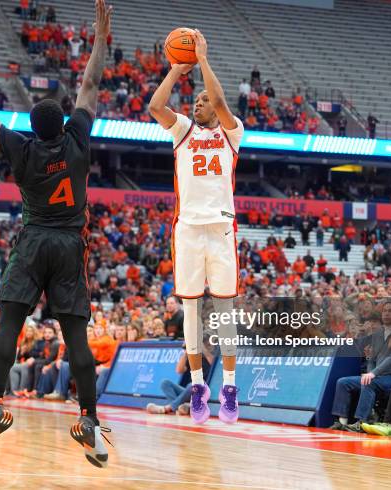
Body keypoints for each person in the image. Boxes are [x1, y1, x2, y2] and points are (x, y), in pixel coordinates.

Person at [0, 0, 113, 467]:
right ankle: (89, 420)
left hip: (32, 243)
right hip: (69, 246)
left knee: (8, 326)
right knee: (77, 339)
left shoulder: (22, 150)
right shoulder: (78, 139)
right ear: (65, 121)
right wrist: (99, 35)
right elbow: (90, 83)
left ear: (32, 128)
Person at [149, 30, 242, 425]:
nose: (199, 102)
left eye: (203, 100)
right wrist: (174, 71)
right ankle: (200, 388)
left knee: (224, 310)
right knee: (190, 307)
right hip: (187, 228)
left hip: (220, 227)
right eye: (196, 100)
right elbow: (155, 105)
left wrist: (202, 61)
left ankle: (231, 389)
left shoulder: (231, 132)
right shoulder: (183, 130)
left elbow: (220, 100)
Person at [330, 301, 391, 432]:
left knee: (369, 383)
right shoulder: (379, 335)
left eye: (390, 311)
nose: (386, 313)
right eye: (385, 310)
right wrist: (370, 373)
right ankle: (341, 422)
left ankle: (361, 422)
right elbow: (372, 360)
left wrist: (372, 374)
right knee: (343, 382)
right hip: (378, 376)